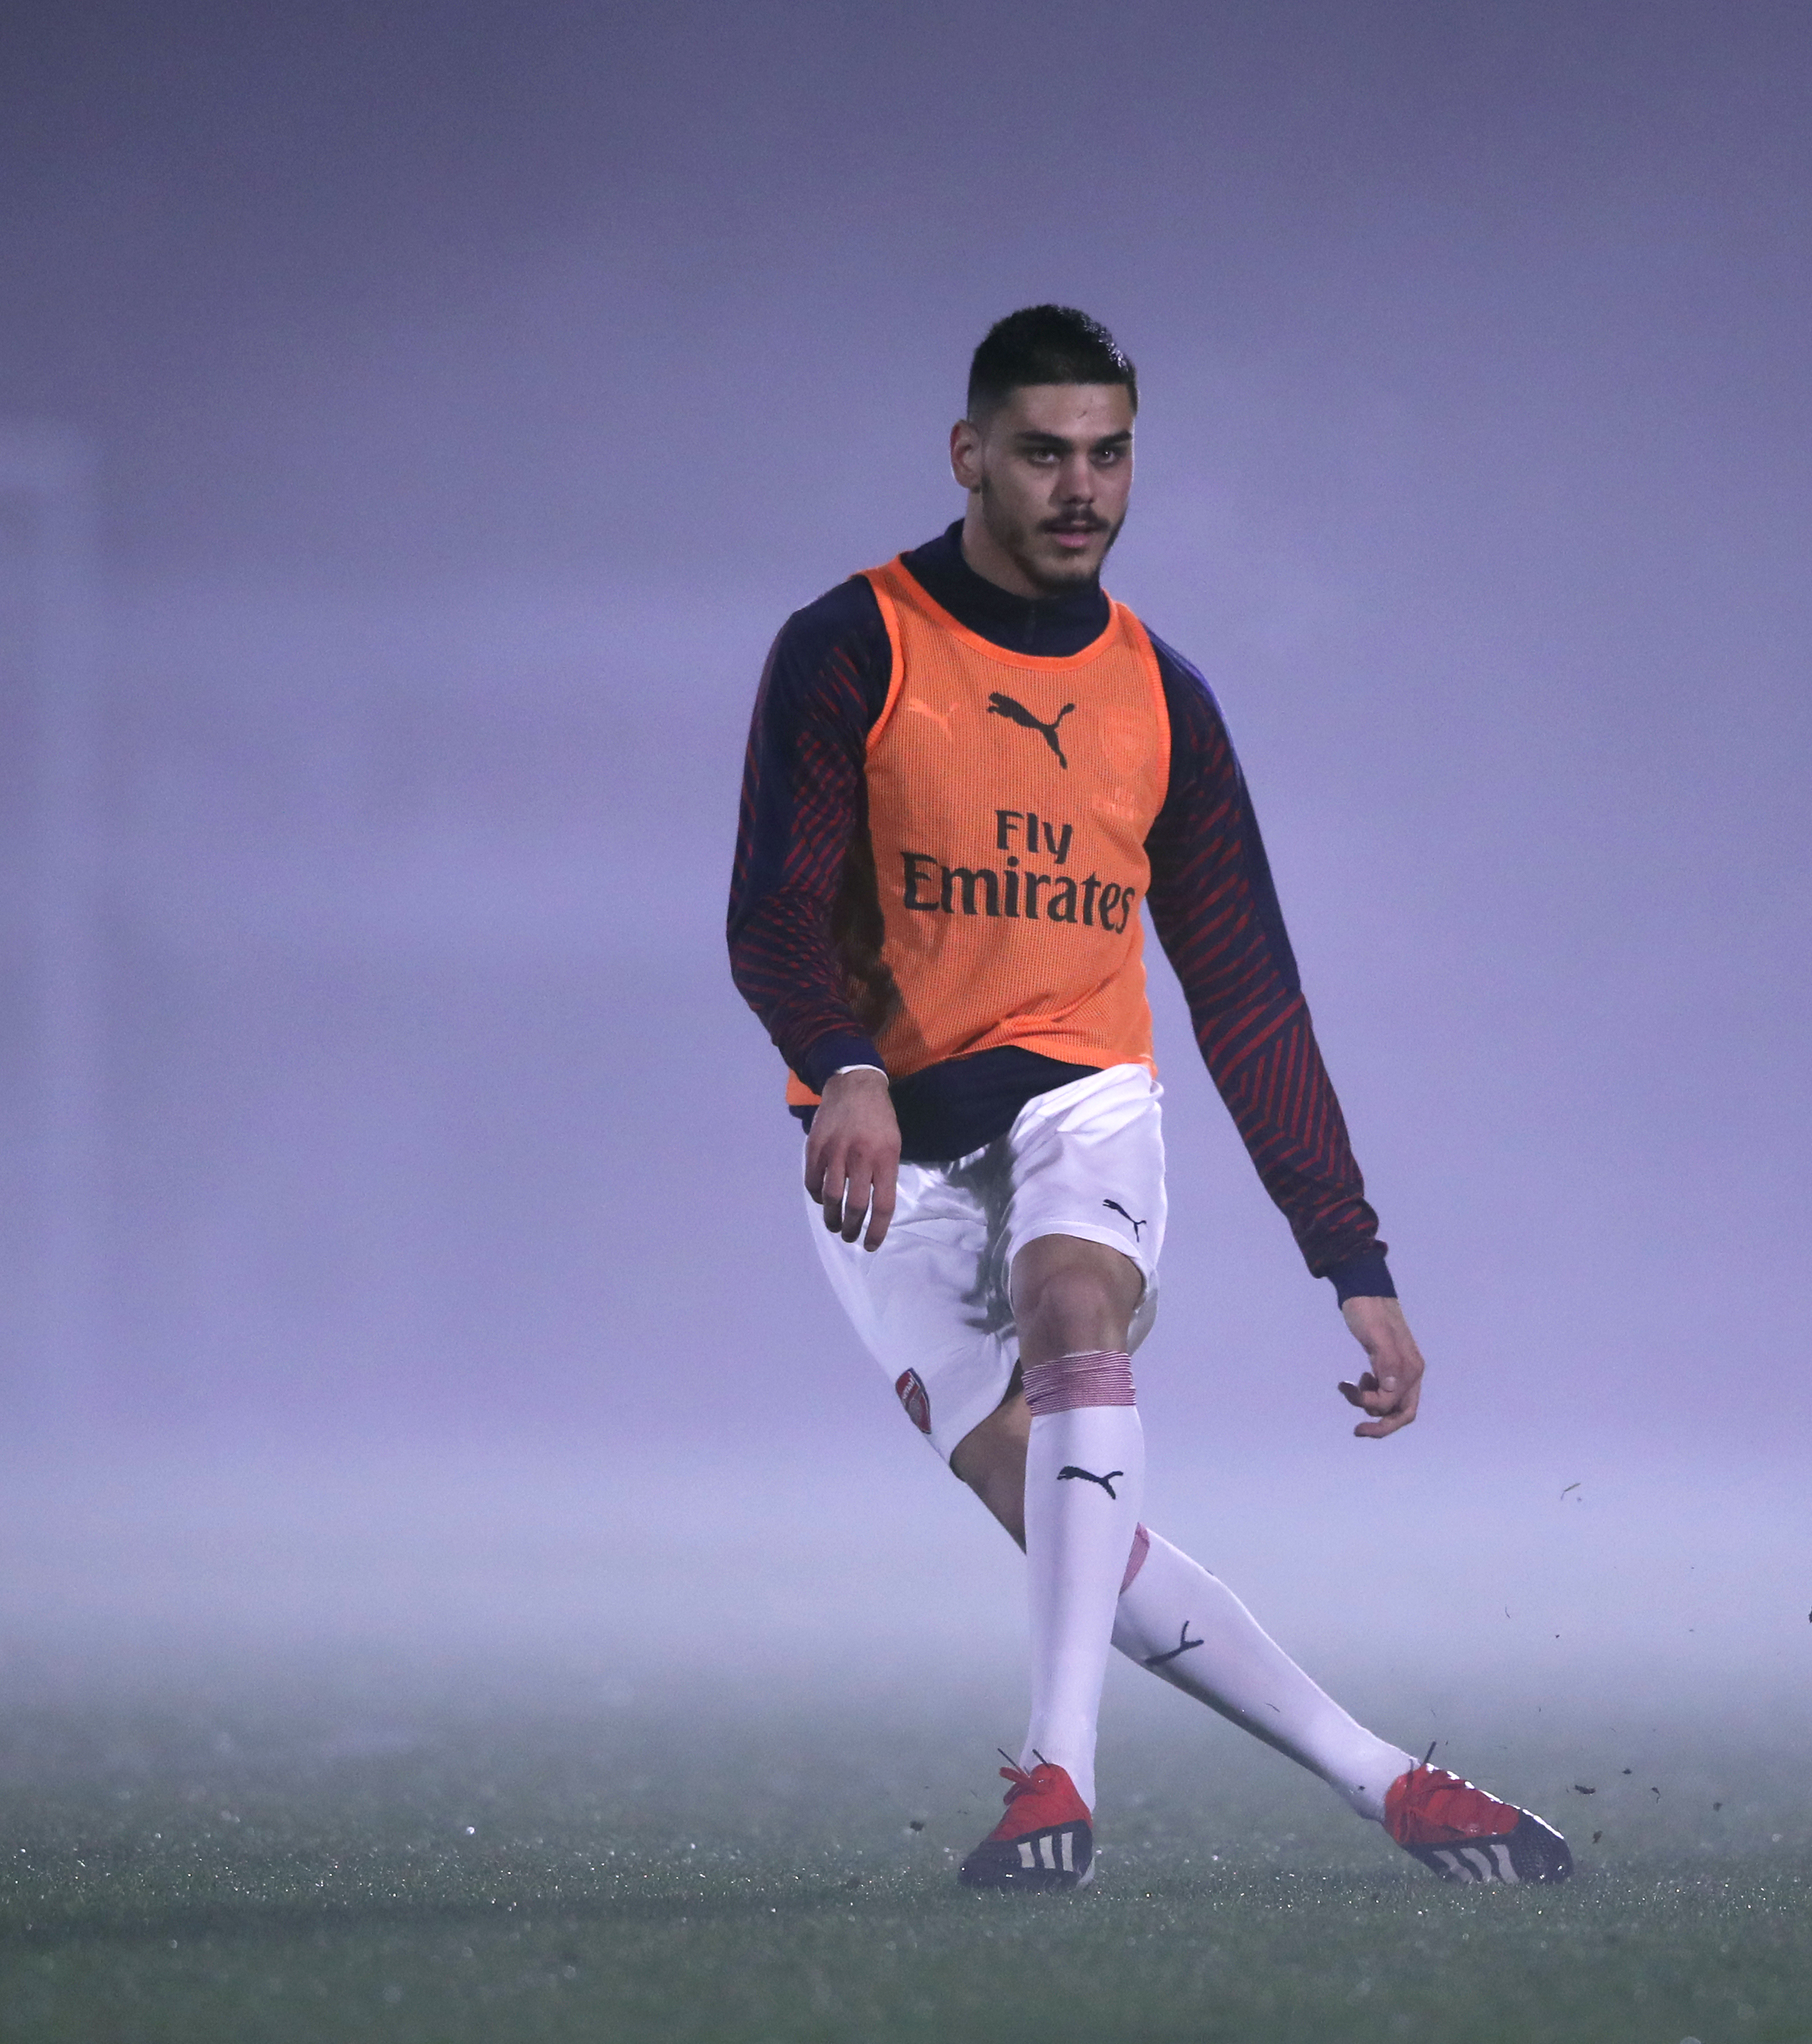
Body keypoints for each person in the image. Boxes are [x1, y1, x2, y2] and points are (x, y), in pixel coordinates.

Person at [726, 305, 1568, 1892]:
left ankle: (1058, 1777)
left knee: (1073, 1302)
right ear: (969, 454)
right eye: (1043, 451)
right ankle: (1385, 1777)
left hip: (1082, 1093)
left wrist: (1354, 1258)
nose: (1080, 488)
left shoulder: (1163, 701)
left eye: (1109, 454)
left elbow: (1249, 993)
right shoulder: (850, 646)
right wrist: (845, 1061)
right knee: (1059, 1523)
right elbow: (771, 908)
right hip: (880, 1139)